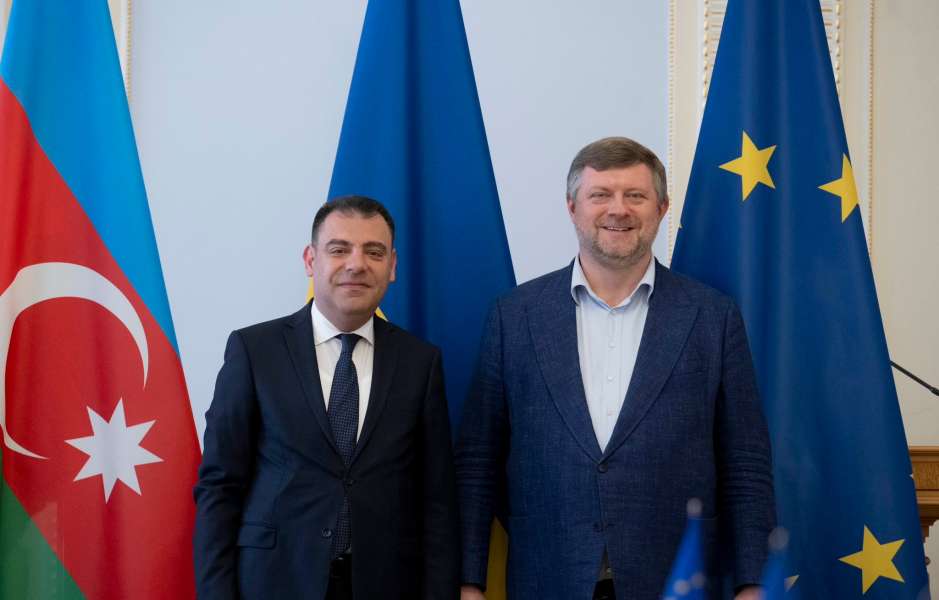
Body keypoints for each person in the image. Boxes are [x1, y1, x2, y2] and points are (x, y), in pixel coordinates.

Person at [456, 138, 775, 600]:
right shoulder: (514, 316)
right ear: (572, 208)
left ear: (661, 209)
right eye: (600, 195)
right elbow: (477, 463)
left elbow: (745, 463)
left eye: (636, 195)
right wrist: (469, 581)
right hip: (548, 576)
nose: (618, 209)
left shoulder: (712, 317)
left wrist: (753, 582)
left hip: (676, 579)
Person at [194, 195, 460, 600]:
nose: (356, 264)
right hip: (274, 582)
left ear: (392, 267)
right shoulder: (255, 350)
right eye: (339, 249)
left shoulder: (420, 362)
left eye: (374, 252)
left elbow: (437, 500)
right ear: (310, 260)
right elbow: (220, 485)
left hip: (386, 584)